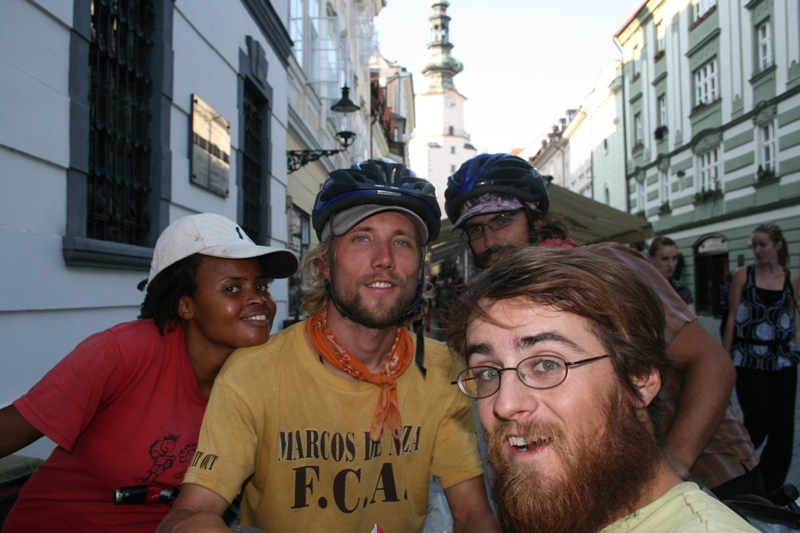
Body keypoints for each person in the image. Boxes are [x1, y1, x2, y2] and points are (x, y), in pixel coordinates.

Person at [157, 159, 498, 532]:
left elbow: (470, 513)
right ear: (324, 264)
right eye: (361, 237)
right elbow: (191, 510)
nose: (384, 259)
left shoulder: (442, 370)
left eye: (402, 241)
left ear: (419, 270)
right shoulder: (254, 372)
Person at [443, 153, 761, 498]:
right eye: (476, 229)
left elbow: (712, 363)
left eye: (503, 220)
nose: (490, 241)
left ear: (535, 218)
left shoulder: (607, 268)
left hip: (709, 478)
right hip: (611, 491)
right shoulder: (499, 306)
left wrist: (672, 463)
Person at [0, 213, 299, 532]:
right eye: (232, 289)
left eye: (261, 286)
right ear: (185, 305)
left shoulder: (258, 375)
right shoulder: (122, 352)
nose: (259, 299)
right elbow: (11, 430)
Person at [443, 246, 759, 532]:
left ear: (639, 379)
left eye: (547, 365)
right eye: (488, 371)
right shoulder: (576, 509)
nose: (504, 404)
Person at [723, 222, 800, 493]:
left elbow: (791, 315)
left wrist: (793, 345)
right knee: (758, 420)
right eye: (754, 245)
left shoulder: (792, 278)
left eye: (762, 245)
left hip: (782, 359)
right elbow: (732, 317)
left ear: (777, 245)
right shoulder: (744, 275)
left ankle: (769, 487)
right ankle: (735, 465)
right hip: (748, 357)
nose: (757, 250)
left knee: (783, 427)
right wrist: (726, 357)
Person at [648, 236, 696, 314]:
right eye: (665, 259)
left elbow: (693, 319)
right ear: (651, 259)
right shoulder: (643, 289)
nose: (671, 264)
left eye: (674, 258)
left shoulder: (681, 288)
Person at [719, 272, 733, 339]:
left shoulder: (723, 287)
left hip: (727, 309)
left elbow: (722, 301)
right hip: (735, 309)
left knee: (723, 326)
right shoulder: (735, 287)